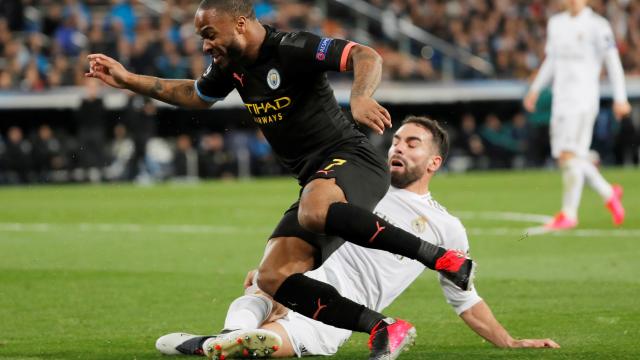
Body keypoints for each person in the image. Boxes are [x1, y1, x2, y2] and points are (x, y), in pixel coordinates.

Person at [86, 1, 474, 358]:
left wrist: (359, 97)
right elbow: (195, 94)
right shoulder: (230, 66)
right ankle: (383, 328)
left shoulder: (292, 48)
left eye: (209, 34)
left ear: (239, 24)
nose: (206, 46)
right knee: (273, 276)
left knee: (314, 208)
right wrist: (127, 79)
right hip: (315, 180)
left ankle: (441, 258)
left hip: (353, 161)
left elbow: (364, 54)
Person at [156, 117, 560, 359]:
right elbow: (302, 228)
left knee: (260, 344)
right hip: (296, 288)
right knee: (259, 286)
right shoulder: (360, 185)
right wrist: (276, 269)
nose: (398, 148)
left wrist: (508, 342)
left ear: (434, 162)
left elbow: (465, 298)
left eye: (412, 143)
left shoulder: (445, 227)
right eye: (397, 140)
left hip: (334, 313)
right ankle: (224, 341)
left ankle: (221, 343)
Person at [523, 0, 631, 231]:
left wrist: (620, 98)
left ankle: (569, 214)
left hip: (583, 100)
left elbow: (613, 62)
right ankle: (609, 193)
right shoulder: (556, 23)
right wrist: (535, 89)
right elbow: (551, 61)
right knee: (570, 158)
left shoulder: (598, 25)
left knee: (568, 155)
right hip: (560, 100)